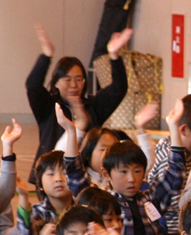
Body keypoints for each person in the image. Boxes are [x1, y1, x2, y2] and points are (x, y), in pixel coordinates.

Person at [24, 23, 133, 161]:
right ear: (56, 82)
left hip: (86, 172)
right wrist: (46, 56)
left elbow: (119, 88)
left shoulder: (93, 107)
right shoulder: (49, 107)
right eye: (67, 80)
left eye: (79, 79)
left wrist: (114, 56)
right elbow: (33, 85)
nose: (74, 85)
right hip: (53, 171)